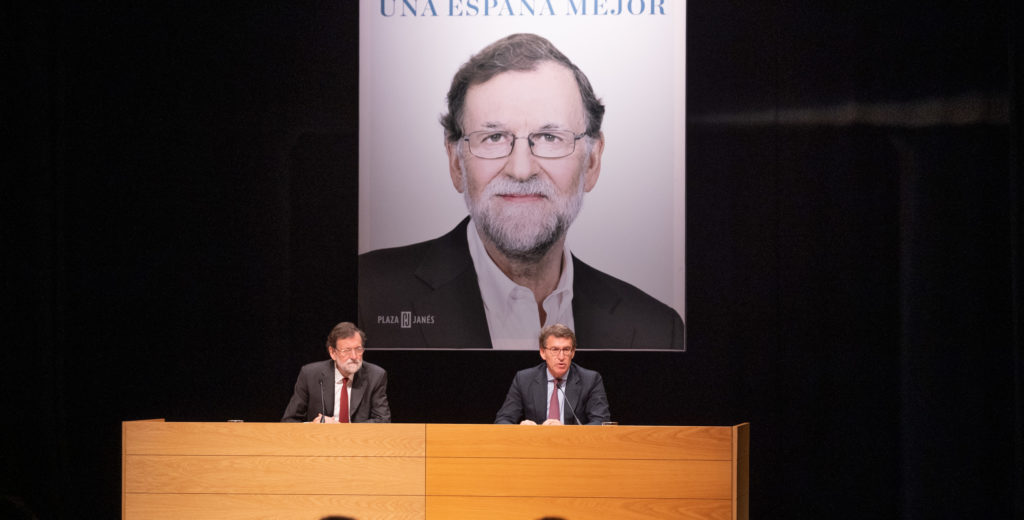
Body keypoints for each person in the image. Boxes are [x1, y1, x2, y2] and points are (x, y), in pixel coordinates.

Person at [358, 33, 684, 350]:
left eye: (549, 137)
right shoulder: (364, 295)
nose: (522, 169)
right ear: (456, 163)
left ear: (593, 161)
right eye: (495, 137)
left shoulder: (656, 329)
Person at [495, 324, 610, 425]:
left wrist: (565, 432)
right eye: (554, 349)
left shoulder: (590, 380)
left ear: (573, 353)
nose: (561, 357)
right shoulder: (524, 379)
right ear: (543, 352)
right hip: (535, 445)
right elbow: (503, 419)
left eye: (566, 349)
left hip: (574, 446)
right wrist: (522, 430)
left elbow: (601, 421)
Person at [282, 322, 391, 423]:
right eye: (346, 350)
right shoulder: (310, 374)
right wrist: (313, 425)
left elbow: (383, 421)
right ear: (333, 352)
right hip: (320, 441)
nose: (354, 356)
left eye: (358, 349)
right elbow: (289, 420)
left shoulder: (375, 376)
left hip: (358, 441)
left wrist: (340, 428)